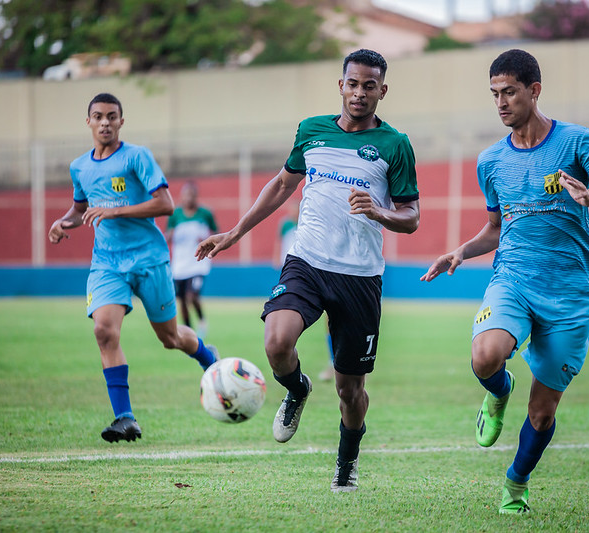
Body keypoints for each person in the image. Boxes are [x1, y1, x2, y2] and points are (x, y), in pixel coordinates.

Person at [421, 49, 589, 514]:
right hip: (513, 279)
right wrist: (461, 251)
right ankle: (499, 392)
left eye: (510, 92)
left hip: (572, 292)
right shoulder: (490, 161)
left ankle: (515, 486)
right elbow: (496, 229)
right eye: (494, 94)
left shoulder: (578, 142)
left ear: (534, 90)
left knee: (543, 412)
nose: (500, 102)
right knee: (485, 357)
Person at [196, 49, 420, 492]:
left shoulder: (395, 145)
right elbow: (282, 184)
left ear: (382, 90)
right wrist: (234, 234)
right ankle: (296, 390)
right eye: (352, 83)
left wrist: (378, 212)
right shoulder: (311, 131)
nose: (359, 92)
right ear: (341, 85)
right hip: (307, 262)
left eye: (369, 85)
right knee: (277, 342)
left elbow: (411, 217)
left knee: (349, 391)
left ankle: (346, 464)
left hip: (359, 277)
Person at [48, 92, 219, 444]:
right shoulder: (79, 167)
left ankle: (207, 356)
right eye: (98, 116)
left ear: (121, 121)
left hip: (149, 260)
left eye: (112, 116)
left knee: (170, 338)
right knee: (104, 332)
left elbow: (165, 204)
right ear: (89, 122)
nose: (105, 122)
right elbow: (81, 209)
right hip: (107, 263)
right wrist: (63, 223)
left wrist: (113, 211)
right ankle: (125, 418)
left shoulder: (137, 157)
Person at [275, 202, 336, 383]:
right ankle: (293, 370)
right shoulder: (287, 224)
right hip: (296, 274)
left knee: (332, 319)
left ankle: (334, 363)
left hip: (324, 271)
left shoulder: (313, 224)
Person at [164, 181, 218, 340]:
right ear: (182, 196)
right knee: (181, 300)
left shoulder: (205, 214)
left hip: (198, 263)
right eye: (186, 195)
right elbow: (168, 235)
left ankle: (202, 321)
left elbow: (216, 232)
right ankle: (188, 331)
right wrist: (170, 235)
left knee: (191, 296)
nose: (188, 198)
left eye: (191, 195)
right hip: (180, 265)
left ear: (196, 196)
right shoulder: (175, 215)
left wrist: (207, 240)